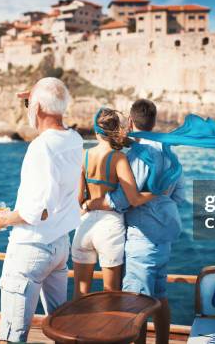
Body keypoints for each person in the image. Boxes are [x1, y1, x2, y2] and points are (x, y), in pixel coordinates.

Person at [0, 77, 83, 343]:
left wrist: (6, 218)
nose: (27, 107)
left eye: (28, 102)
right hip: (59, 246)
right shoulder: (74, 139)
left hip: (31, 248)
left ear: (38, 106)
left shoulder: (41, 147)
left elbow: (38, 212)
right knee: (61, 328)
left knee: (12, 335)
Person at [84, 99, 185, 344]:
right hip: (164, 239)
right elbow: (179, 196)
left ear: (130, 122)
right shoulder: (169, 152)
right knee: (160, 297)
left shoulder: (140, 155)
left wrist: (93, 203)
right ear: (154, 121)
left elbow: (125, 199)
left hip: (143, 239)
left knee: (134, 304)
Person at [71, 108, 155, 299]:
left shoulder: (83, 155)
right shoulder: (119, 158)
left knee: (79, 293)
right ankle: (108, 329)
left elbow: (77, 199)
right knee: (111, 295)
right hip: (109, 228)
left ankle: (79, 329)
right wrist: (156, 193)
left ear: (95, 131)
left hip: (84, 226)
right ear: (116, 130)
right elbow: (134, 199)